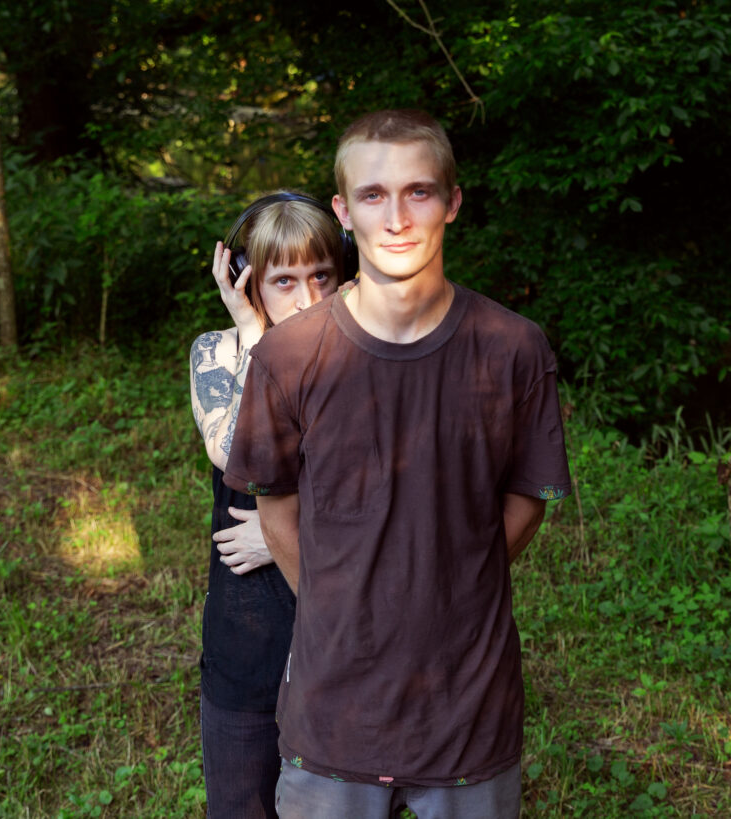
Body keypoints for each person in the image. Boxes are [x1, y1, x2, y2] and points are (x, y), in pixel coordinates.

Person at [224, 110, 572, 818]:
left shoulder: (513, 347)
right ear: (343, 211)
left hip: (470, 720)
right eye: (374, 195)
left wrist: (449, 579)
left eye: (418, 191)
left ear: (452, 201)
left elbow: (524, 500)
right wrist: (339, 595)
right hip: (333, 720)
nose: (398, 217)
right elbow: (278, 508)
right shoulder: (287, 358)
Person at [189, 191, 355, 818]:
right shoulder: (217, 352)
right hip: (248, 632)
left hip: (342, 628)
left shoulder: (364, 360)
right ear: (246, 281)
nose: (308, 298)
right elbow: (236, 454)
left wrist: (281, 535)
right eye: (284, 280)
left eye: (321, 276)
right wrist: (258, 337)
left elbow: (380, 498)